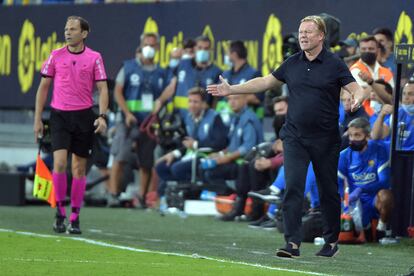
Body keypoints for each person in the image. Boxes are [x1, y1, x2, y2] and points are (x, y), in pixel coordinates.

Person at [207, 15, 368, 258]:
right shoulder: (291, 63)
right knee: (293, 187)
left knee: (328, 190)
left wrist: (358, 98)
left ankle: (331, 240)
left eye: (308, 32)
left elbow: (356, 88)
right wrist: (232, 89)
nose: (302, 36)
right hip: (294, 137)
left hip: (325, 138)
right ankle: (291, 244)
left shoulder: (335, 64)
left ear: (321, 36)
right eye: (301, 31)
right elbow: (264, 82)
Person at [34, 16, 109, 234]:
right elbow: (43, 87)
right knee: (58, 164)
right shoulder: (56, 55)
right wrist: (38, 118)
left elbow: (103, 89)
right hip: (59, 116)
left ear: (84, 33)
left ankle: (75, 217)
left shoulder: (94, 57)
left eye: (73, 29)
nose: (68, 32)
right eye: (66, 29)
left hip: (84, 116)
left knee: (78, 168)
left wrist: (102, 116)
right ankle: (59, 212)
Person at [108, 32, 166, 208]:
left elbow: (161, 98)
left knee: (146, 162)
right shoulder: (129, 67)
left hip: (148, 123)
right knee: (121, 157)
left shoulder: (160, 72)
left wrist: (157, 118)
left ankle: (142, 196)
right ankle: (113, 194)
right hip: (128, 120)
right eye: (147, 44)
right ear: (141, 46)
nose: (150, 47)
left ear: (157, 48)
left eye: (153, 45)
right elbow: (117, 92)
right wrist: (126, 113)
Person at [155, 87, 227, 197]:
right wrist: (174, 154)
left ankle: (190, 192)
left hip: (206, 156)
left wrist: (195, 145)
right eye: (190, 101)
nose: (192, 105)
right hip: (190, 155)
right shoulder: (188, 118)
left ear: (203, 104)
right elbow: (185, 142)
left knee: (177, 168)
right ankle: (177, 191)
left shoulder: (214, 117)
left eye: (195, 102)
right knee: (161, 167)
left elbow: (220, 143)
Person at [338, 118, 393, 241]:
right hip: (355, 200)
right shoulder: (344, 155)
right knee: (363, 236)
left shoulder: (379, 150)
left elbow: (385, 181)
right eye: (351, 135)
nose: (352, 139)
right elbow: (338, 184)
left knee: (386, 196)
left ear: (367, 136)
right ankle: (366, 231)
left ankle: (381, 230)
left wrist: (361, 189)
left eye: (357, 135)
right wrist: (344, 202)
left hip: (374, 197)